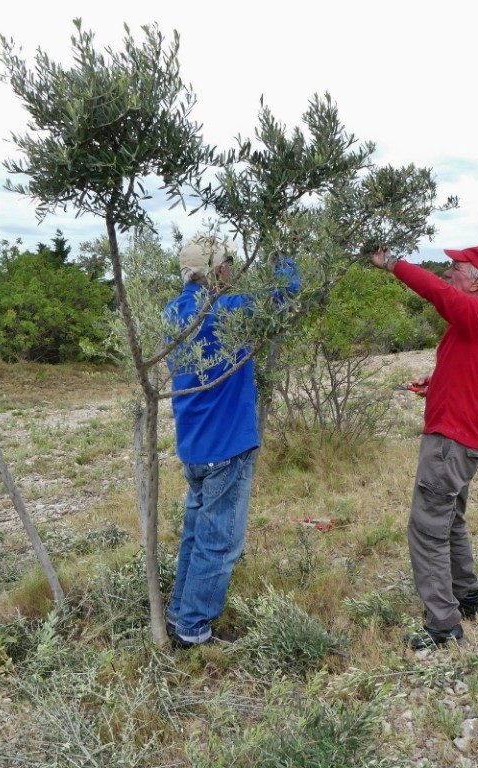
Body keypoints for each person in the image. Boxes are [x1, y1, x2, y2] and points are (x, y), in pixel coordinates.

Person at [370, 245, 478, 649]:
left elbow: (436, 293)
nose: (448, 272)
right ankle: (469, 598)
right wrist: (435, 384)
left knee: (427, 529)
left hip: (450, 443)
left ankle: (443, 624)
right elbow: (475, 370)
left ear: (477, 279)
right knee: (451, 521)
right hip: (465, 439)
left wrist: (393, 264)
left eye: (456, 267)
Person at [164, 235, 299, 649]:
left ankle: (178, 614)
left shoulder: (173, 311)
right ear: (212, 270)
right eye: (226, 263)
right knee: (219, 542)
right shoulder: (227, 311)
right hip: (226, 446)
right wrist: (284, 254)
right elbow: (286, 296)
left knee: (195, 533)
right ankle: (193, 628)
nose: (230, 270)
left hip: (194, 445)